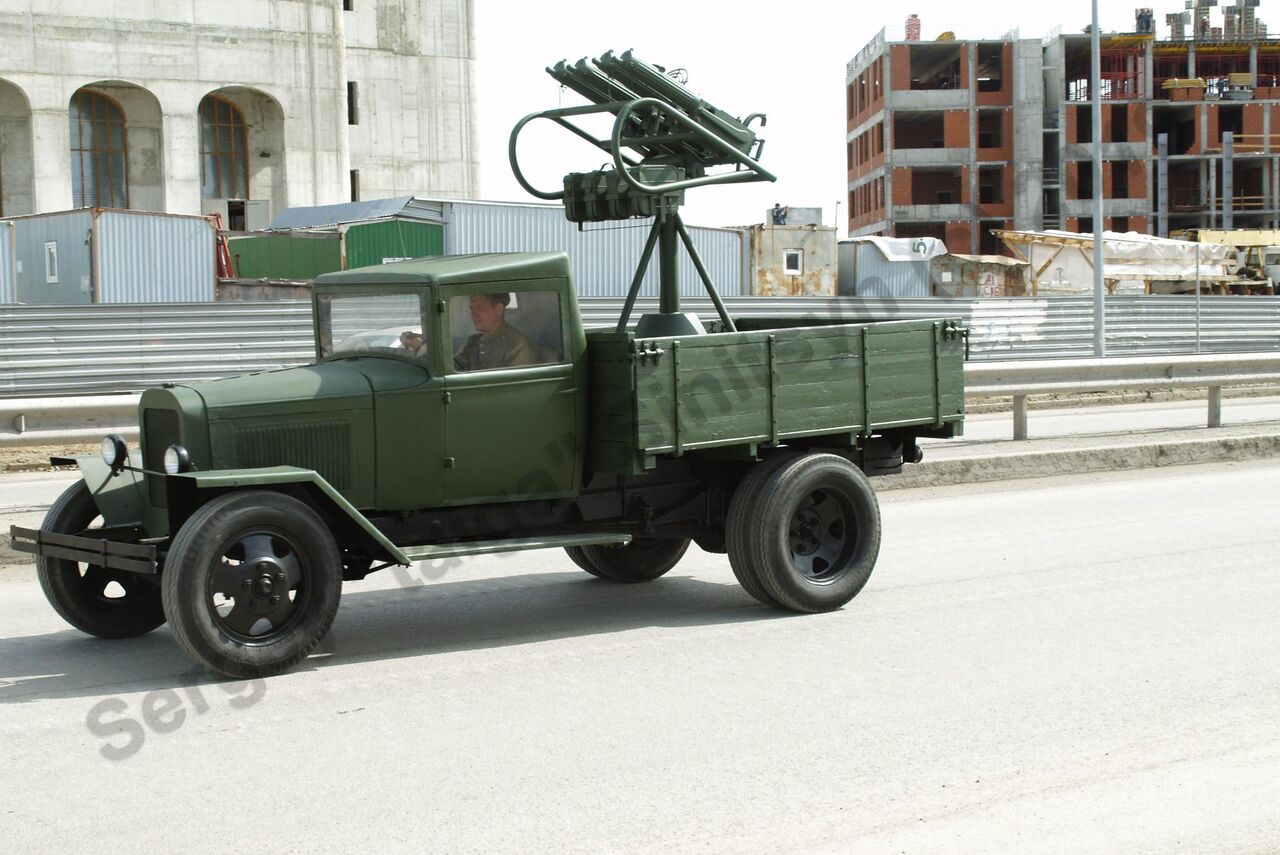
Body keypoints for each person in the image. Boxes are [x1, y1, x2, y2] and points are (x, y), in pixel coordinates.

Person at [453, 292, 536, 370]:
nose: (474, 313)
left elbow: (515, 383)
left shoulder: (517, 347)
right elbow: (455, 366)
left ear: (499, 310)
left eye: (480, 307)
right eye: (472, 308)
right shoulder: (473, 342)